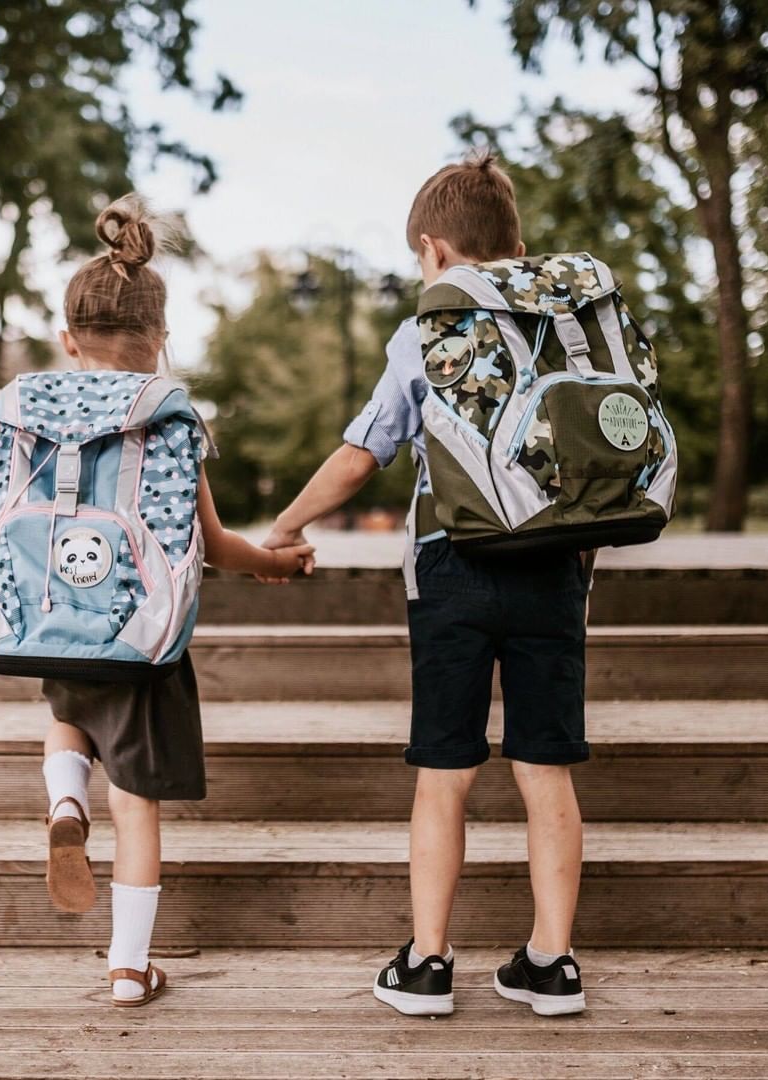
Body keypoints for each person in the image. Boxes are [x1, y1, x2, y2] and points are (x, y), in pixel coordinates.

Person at [0, 194, 313, 1008]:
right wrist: (274, 564)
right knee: (137, 808)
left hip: (44, 620)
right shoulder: (167, 416)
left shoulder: (25, 398)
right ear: (161, 339)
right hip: (136, 635)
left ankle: (65, 795)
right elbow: (214, 542)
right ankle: (129, 969)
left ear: (69, 339)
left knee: (64, 711)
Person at [263, 151, 590, 1017]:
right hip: (555, 566)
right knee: (545, 767)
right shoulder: (569, 323)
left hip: (453, 565)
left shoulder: (427, 331)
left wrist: (288, 526)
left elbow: (360, 456)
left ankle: (429, 964)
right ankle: (551, 963)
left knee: (443, 771)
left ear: (434, 249)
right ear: (515, 241)